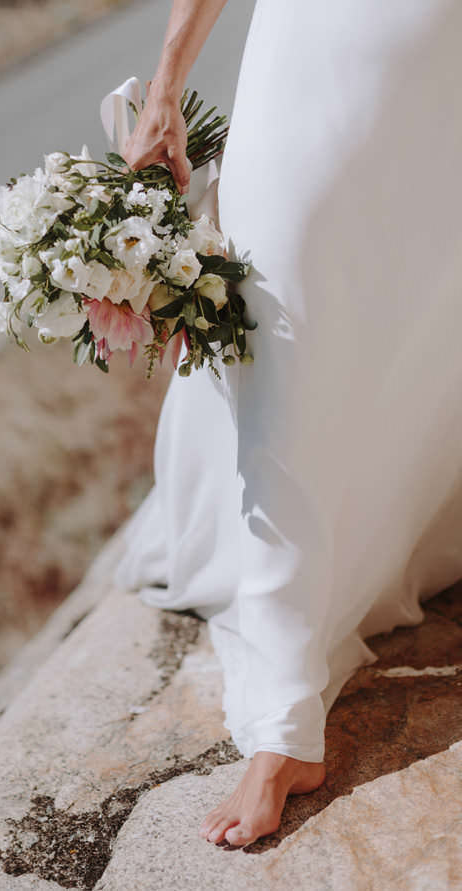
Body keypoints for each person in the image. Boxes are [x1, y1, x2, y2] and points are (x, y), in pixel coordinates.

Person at [114, 0, 462, 847]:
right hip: (311, 57)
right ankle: (284, 727)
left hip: (438, 75)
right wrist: (166, 84)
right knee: (282, 329)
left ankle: (398, 527)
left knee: (422, 333)